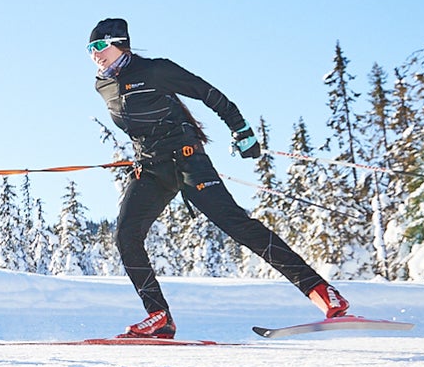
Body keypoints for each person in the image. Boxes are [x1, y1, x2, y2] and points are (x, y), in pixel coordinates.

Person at [88, 17, 349, 338]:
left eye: (100, 46)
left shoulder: (155, 70)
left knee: (236, 224)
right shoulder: (103, 85)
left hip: (185, 160)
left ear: (120, 43)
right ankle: (158, 316)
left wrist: (241, 130)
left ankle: (323, 292)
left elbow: (208, 93)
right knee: (126, 237)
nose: (94, 54)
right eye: (90, 49)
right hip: (151, 169)